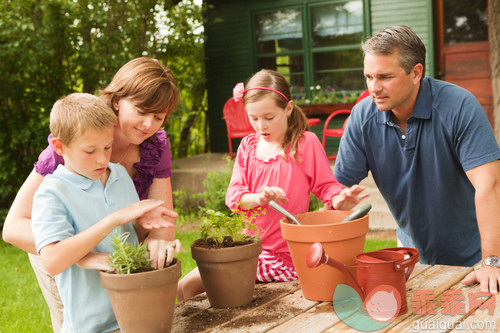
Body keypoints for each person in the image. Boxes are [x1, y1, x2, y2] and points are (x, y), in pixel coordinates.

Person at [2, 57, 181, 332]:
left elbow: (158, 223)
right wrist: (81, 253)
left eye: (159, 117)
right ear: (118, 99)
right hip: (65, 256)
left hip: (114, 254)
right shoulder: (67, 149)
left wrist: (155, 238)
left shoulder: (152, 148)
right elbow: (14, 228)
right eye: (143, 110)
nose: (149, 124)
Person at [333, 25, 500, 293]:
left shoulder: (459, 106)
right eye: (368, 77)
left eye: (385, 77)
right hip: (411, 260)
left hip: (477, 260)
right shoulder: (362, 117)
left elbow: (490, 186)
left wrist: (492, 262)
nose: (374, 88)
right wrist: (338, 201)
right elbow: (334, 190)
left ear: (416, 73)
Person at [176, 69, 369, 301]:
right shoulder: (248, 146)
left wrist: (339, 199)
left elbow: (327, 186)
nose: (260, 126)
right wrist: (259, 198)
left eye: (269, 118)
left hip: (285, 257)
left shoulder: (304, 144)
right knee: (183, 287)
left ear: (288, 108)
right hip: (249, 249)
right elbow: (235, 197)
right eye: (253, 118)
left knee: (196, 284)